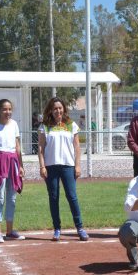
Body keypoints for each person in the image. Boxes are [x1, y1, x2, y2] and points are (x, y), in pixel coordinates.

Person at [38, 97, 88, 242]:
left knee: (72, 197)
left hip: (68, 166)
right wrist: (42, 166)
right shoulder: (45, 126)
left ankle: (80, 228)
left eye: (60, 108)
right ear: (51, 110)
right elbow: (41, 148)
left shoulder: (70, 125)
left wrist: (77, 165)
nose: (58, 111)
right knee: (53, 198)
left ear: (64, 109)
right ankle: (57, 229)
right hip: (51, 167)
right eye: (55, 108)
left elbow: (77, 147)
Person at [0, 98, 24, 243]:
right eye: (5, 109)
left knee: (12, 199)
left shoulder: (14, 125)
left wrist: (20, 166)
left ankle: (9, 231)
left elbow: (18, 147)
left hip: (13, 161)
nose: (8, 112)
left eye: (9, 109)